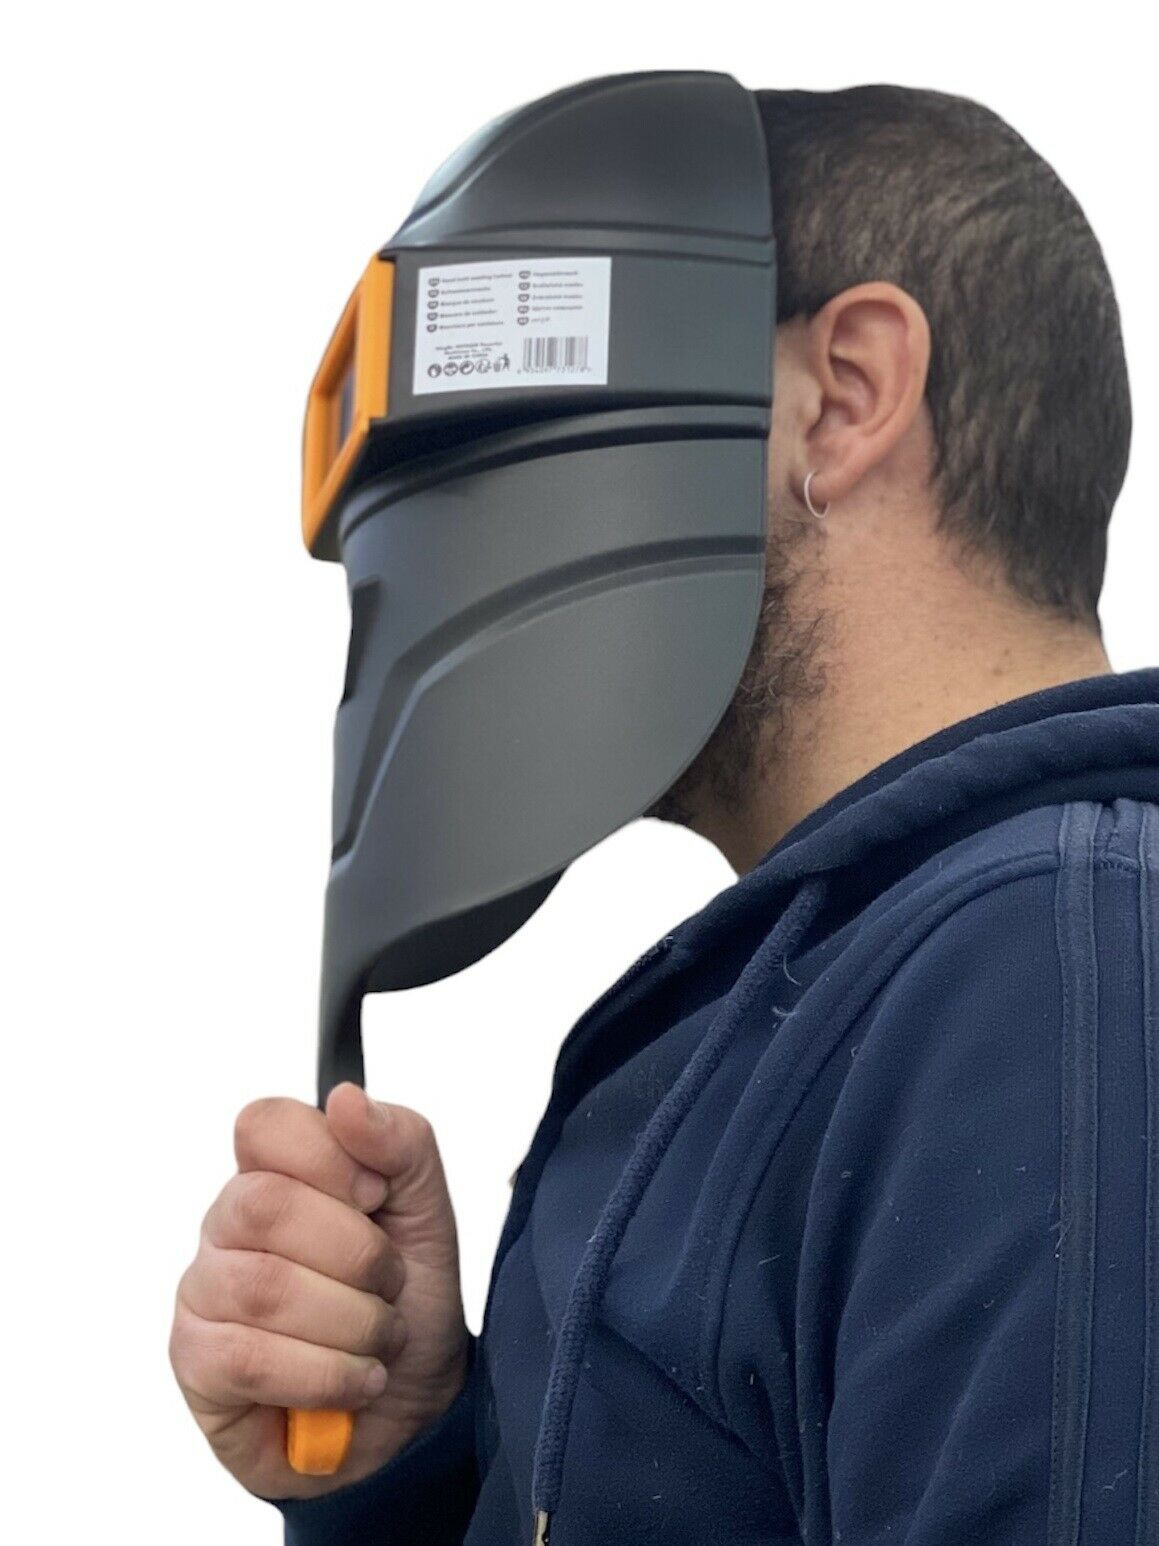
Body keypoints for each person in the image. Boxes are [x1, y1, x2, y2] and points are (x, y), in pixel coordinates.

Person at [170, 84, 1158, 1544]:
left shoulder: (1047, 962)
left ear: (846, 393)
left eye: (544, 429)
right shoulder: (826, 1004)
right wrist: (413, 1467)